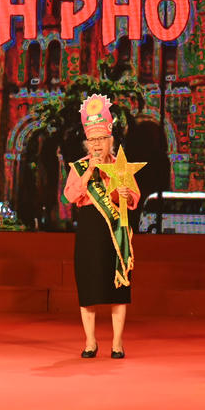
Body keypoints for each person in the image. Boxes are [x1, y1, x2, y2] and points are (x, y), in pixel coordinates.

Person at [63, 94, 139, 359]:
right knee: (89, 288)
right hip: (89, 232)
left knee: (118, 289)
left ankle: (117, 343)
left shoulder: (121, 166)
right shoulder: (79, 167)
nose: (97, 144)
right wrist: (89, 173)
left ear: (110, 141)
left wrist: (123, 193)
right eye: (92, 140)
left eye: (101, 139)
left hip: (115, 233)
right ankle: (90, 342)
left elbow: (133, 198)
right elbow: (70, 196)